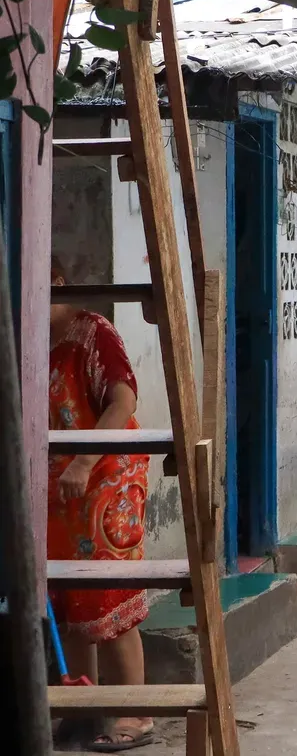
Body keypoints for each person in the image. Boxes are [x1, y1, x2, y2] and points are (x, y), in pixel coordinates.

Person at [47, 257, 154, 751]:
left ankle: (136, 714)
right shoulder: (28, 337)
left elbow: (123, 400)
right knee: (69, 599)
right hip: (58, 479)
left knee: (108, 595)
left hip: (106, 471)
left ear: (60, 282)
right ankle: (82, 708)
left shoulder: (92, 331)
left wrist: (84, 461)